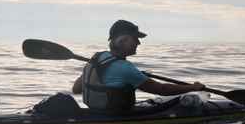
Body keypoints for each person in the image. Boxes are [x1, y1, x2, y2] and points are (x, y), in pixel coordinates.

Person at [70, 20, 205, 115]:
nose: (138, 43)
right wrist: (193, 88)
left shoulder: (96, 59)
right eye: (135, 38)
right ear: (122, 40)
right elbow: (162, 89)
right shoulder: (125, 68)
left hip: (94, 116)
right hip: (116, 123)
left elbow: (76, 89)